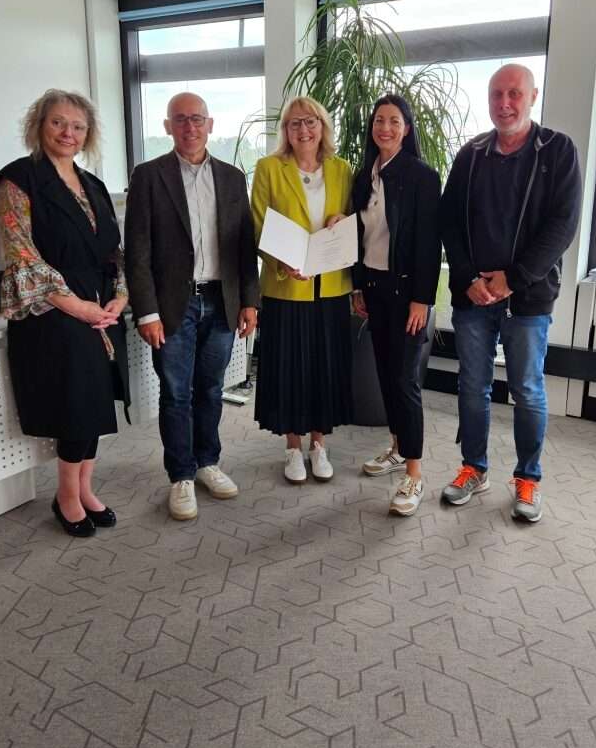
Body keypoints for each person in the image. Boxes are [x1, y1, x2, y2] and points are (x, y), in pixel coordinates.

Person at [440, 63, 582, 523]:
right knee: (472, 386)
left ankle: (528, 477)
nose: (504, 103)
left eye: (514, 94)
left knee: (528, 389)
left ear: (532, 96)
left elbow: (562, 225)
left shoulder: (558, 150)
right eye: (496, 94)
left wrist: (512, 279)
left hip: (527, 297)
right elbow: (449, 222)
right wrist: (468, 278)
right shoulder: (470, 154)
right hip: (473, 297)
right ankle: (474, 468)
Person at [0, 89, 130, 538]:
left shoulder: (93, 185)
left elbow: (114, 252)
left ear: (88, 134)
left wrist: (119, 297)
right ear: (39, 125)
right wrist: (76, 306)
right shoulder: (17, 180)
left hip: (100, 307)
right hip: (54, 310)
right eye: (58, 122)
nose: (68, 133)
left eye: (78, 126)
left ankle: (85, 487)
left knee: (97, 402)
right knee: (75, 406)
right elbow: (21, 255)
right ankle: (66, 495)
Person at [124, 92, 259, 523]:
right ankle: (181, 474)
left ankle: (207, 462)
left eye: (197, 119)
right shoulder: (149, 176)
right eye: (180, 119)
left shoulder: (233, 178)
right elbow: (137, 252)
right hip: (172, 306)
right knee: (176, 393)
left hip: (221, 301)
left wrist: (250, 301)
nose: (190, 127)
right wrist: (146, 312)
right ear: (168, 126)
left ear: (210, 124)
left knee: (211, 389)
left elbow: (245, 246)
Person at [251, 96, 353, 482]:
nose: (304, 130)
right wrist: (281, 262)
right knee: (289, 368)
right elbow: (258, 226)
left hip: (330, 287)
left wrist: (342, 219)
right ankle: (293, 447)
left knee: (324, 367)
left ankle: (319, 444)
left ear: (322, 126)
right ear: (286, 131)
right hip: (285, 288)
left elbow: (354, 219)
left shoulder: (342, 169)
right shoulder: (269, 168)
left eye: (310, 122)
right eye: (295, 124)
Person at [352, 94, 442, 516]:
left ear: (407, 128)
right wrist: (357, 288)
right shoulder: (364, 176)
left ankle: (414, 473)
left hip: (407, 295)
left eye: (394, 121)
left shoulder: (422, 177)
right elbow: (359, 237)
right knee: (386, 376)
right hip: (373, 288)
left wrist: (422, 299)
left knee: (405, 380)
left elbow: (429, 244)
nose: (384, 128)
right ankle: (396, 446)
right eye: (379, 120)